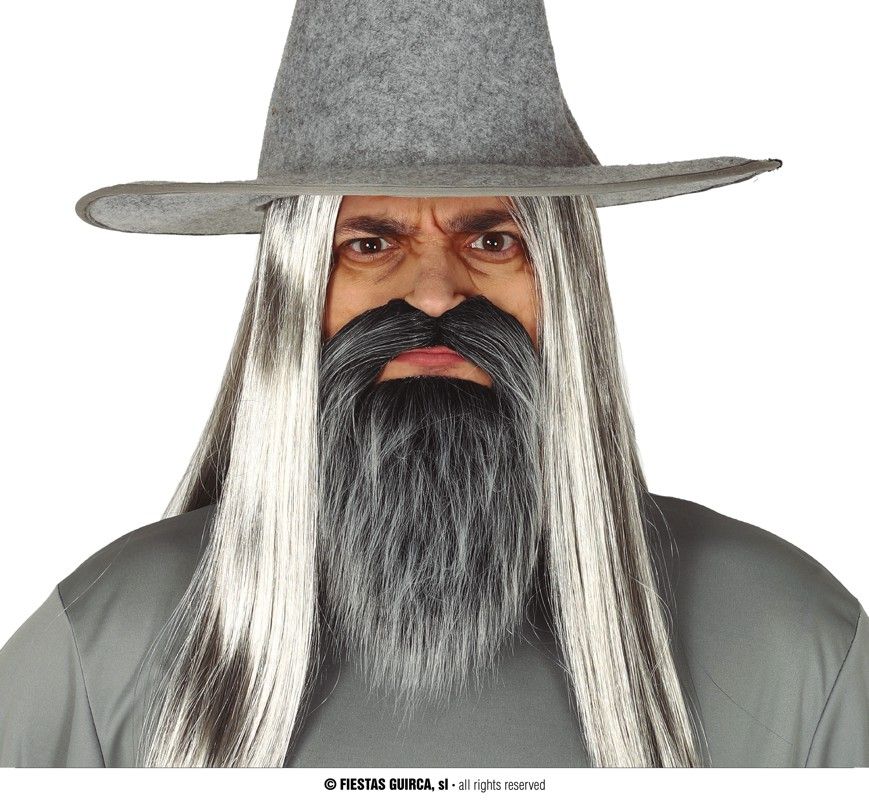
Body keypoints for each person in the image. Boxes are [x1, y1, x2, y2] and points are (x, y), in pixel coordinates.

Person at [1, 0, 866, 769]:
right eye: (368, 244)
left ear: (567, 285)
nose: (433, 292)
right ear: (292, 295)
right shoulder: (113, 632)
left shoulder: (783, 635)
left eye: (491, 241)